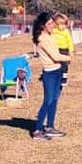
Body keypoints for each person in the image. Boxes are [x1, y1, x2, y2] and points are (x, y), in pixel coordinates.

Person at [31, 11, 73, 140]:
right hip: (49, 73)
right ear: (42, 25)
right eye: (49, 24)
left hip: (57, 70)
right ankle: (37, 130)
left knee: (54, 100)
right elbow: (55, 56)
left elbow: (62, 36)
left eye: (52, 23)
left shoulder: (50, 35)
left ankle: (49, 127)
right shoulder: (42, 38)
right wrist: (69, 57)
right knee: (48, 101)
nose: (52, 26)